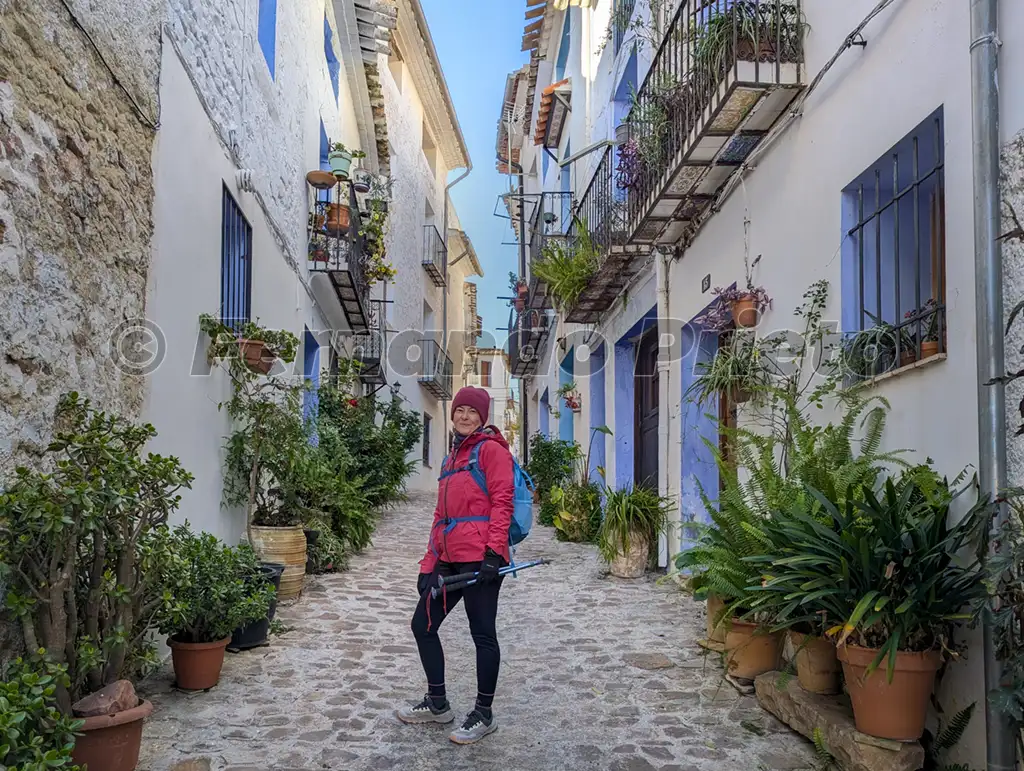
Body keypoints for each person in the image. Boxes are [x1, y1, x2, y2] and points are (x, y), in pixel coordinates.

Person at [397, 386, 514, 745]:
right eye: (460, 410)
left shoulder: (491, 452)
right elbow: (440, 516)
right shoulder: (450, 460)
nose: (464, 416)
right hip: (448, 561)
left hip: (481, 562)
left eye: (472, 412)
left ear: (483, 417)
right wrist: (428, 563)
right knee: (423, 624)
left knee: (482, 635)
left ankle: (483, 713)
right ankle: (437, 703)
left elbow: (502, 501)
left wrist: (494, 552)